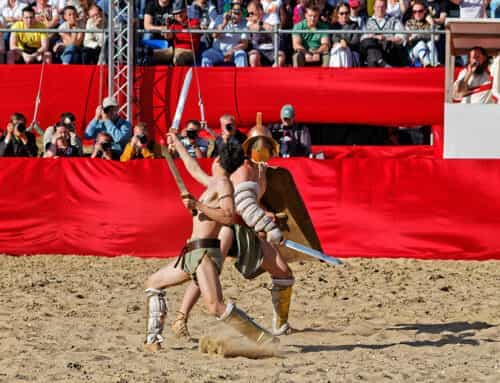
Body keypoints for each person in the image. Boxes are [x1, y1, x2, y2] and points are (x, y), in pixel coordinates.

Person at [143, 132, 276, 352]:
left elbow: (227, 215)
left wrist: (198, 206)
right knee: (153, 283)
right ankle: (153, 341)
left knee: (215, 306)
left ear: (216, 160)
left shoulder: (223, 184)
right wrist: (176, 144)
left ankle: (264, 340)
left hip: (203, 253)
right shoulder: (216, 183)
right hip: (192, 253)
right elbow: (192, 168)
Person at [171, 125, 295, 340]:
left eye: (266, 144)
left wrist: (265, 214)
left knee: (283, 273)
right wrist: (267, 225)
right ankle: (181, 318)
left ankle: (281, 325)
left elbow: (250, 202)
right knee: (207, 273)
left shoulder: (262, 171)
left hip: (249, 230)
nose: (261, 148)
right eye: (258, 144)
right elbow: (241, 204)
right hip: (229, 227)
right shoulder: (243, 168)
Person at [360, 0, 407, 67]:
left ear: (386, 8)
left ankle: (380, 61)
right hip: (372, 48)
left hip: (388, 51)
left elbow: (402, 38)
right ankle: (381, 61)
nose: (380, 9)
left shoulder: (394, 20)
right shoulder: (367, 21)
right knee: (368, 43)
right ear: (374, 7)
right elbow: (362, 39)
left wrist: (385, 38)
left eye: (382, 7)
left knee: (371, 55)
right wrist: (375, 37)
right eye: (378, 7)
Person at [201, 2, 249, 67]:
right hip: (217, 51)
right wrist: (224, 24)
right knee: (206, 56)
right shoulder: (219, 18)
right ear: (230, 11)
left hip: (233, 52)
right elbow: (215, 35)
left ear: (241, 14)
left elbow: (244, 44)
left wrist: (232, 51)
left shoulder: (244, 23)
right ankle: (206, 76)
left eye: (238, 13)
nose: (235, 16)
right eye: (234, 13)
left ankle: (242, 77)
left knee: (242, 54)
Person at [161, 0, 200, 66]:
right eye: (175, 13)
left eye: (180, 12)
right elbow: (168, 37)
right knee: (152, 54)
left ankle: (180, 75)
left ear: (185, 11)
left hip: (189, 51)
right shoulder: (173, 24)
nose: (177, 15)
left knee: (177, 58)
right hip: (174, 50)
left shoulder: (194, 21)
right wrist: (167, 24)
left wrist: (184, 26)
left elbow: (196, 29)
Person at [247, 1, 286, 67]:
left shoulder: (271, 18)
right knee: (253, 57)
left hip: (273, 50)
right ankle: (256, 76)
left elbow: (272, 29)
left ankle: (274, 75)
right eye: (249, 13)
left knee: (281, 56)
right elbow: (255, 29)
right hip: (258, 50)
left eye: (252, 13)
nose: (250, 15)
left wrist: (260, 22)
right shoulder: (250, 21)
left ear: (260, 11)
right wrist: (260, 22)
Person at [405, 0, 438, 67]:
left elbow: (437, 37)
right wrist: (426, 35)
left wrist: (432, 23)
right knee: (421, 43)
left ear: (425, 11)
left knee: (430, 43)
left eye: (420, 11)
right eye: (414, 12)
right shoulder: (409, 23)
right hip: (413, 54)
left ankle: (434, 64)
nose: (417, 14)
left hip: (428, 52)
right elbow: (409, 38)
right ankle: (427, 64)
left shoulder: (429, 23)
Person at [329, 2, 361, 67]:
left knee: (343, 50)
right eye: (341, 13)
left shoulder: (354, 25)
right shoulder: (334, 25)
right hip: (337, 50)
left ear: (349, 13)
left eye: (346, 13)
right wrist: (341, 41)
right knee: (340, 49)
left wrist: (345, 44)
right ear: (337, 14)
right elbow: (333, 38)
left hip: (350, 50)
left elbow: (355, 41)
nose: (344, 15)